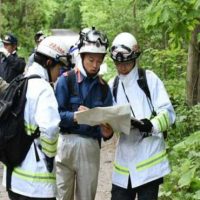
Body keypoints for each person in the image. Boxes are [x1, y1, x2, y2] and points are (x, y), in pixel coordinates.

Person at [109, 32, 176, 200]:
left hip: (149, 162)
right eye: (118, 63)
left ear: (135, 58)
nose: (122, 68)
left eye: (126, 63)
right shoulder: (112, 85)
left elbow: (168, 113)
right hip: (124, 161)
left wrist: (150, 124)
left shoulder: (149, 79)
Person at [3, 36, 70, 200]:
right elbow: (51, 128)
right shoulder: (43, 88)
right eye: (58, 69)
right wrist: (49, 155)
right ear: (48, 63)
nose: (58, 74)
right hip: (36, 183)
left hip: (14, 179)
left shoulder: (21, 81)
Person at [55, 27, 113, 200]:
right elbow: (55, 117)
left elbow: (108, 125)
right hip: (66, 143)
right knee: (62, 195)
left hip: (90, 146)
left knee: (86, 196)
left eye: (99, 60)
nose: (95, 65)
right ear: (81, 56)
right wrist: (74, 116)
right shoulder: (66, 80)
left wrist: (108, 132)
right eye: (91, 60)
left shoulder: (104, 89)